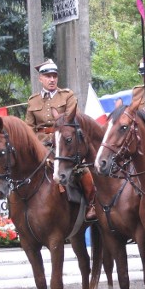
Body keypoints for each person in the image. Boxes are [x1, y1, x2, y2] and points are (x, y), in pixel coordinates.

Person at [25, 58, 96, 221]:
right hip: (41, 144)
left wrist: (59, 138)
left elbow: (73, 119)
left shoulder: (67, 95)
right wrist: (35, 143)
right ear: (40, 79)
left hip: (65, 143)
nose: (52, 79)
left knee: (82, 169)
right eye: (48, 76)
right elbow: (29, 127)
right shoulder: (33, 100)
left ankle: (92, 204)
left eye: (54, 76)